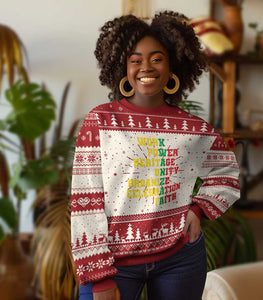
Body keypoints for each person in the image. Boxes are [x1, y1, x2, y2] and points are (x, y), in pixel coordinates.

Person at [71, 11, 240, 300]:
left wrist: (198, 210)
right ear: (122, 67)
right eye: (135, 60)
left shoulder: (192, 128)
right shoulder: (101, 121)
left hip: (180, 258)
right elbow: (86, 202)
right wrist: (99, 278)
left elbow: (227, 173)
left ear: (173, 64)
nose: (145, 67)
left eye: (156, 58)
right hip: (114, 262)